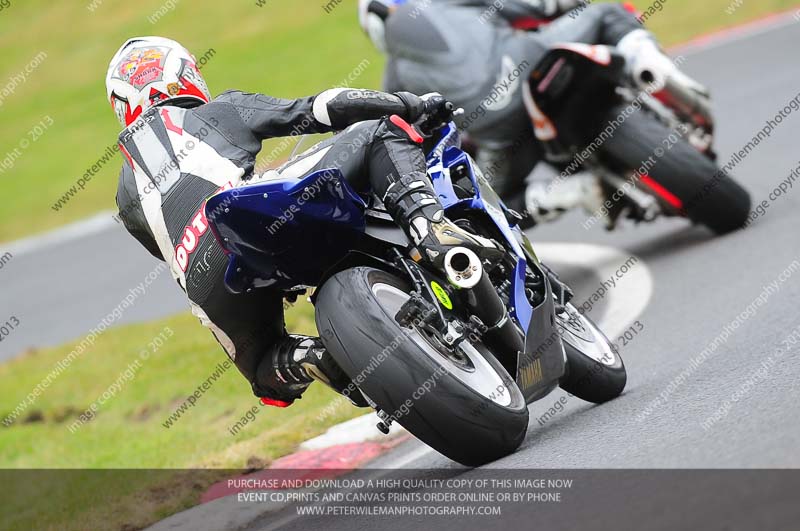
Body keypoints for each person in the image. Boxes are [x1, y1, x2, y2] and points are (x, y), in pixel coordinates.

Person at [107, 36, 497, 407]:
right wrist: (408, 104)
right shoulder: (217, 111)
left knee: (264, 372)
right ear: (184, 75)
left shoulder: (126, 200)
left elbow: (168, 252)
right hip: (246, 214)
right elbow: (321, 108)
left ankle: (320, 358)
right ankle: (433, 233)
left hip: (205, 280)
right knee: (381, 132)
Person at [359, 0, 712, 224]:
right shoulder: (455, 3)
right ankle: (659, 73)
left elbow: (415, 143)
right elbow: (541, 6)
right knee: (605, 11)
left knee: (482, 208)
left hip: (500, 133)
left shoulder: (395, 78)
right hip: (536, 61)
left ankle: (569, 192)